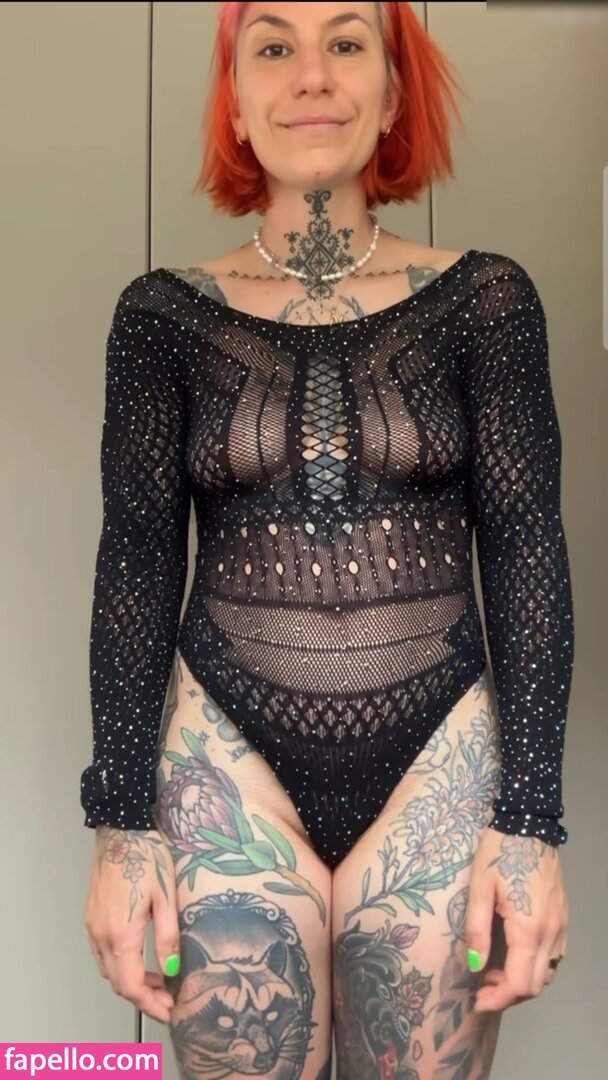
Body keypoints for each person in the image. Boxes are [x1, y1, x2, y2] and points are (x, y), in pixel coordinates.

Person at [81, 3, 574, 1077]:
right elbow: (136, 559)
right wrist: (120, 824)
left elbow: (527, 547)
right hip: (226, 761)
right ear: (235, 103)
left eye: (346, 43)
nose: (310, 74)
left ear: (392, 94)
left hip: (440, 761)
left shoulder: (486, 300)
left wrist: (531, 822)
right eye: (273, 47)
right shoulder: (160, 316)